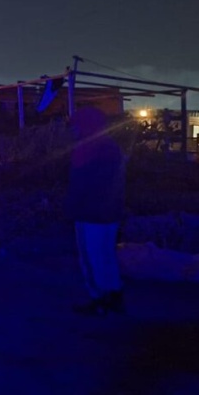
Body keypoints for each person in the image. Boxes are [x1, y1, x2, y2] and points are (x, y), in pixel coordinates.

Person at [66, 106, 126, 315]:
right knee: (105, 256)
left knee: (92, 258)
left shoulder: (89, 148)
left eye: (76, 125)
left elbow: (84, 182)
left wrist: (74, 205)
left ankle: (100, 299)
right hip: (106, 211)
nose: (72, 129)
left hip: (92, 212)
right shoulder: (108, 146)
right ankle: (113, 296)